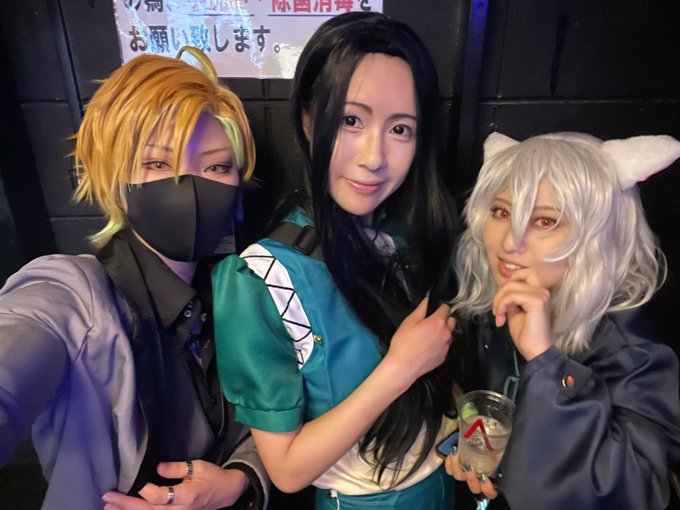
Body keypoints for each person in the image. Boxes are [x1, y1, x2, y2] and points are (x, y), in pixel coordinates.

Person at [0, 47, 269, 510]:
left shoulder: (238, 292)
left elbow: (275, 415)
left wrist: (240, 478)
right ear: (116, 181)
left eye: (216, 167)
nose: (189, 187)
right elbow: (24, 341)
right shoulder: (77, 295)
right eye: (157, 165)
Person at [211, 11, 459, 510]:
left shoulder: (407, 231)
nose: (374, 156)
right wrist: (401, 367)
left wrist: (464, 431)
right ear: (308, 120)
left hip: (444, 484)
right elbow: (287, 471)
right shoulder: (261, 279)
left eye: (401, 129)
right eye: (351, 121)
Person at [445, 131, 680, 509]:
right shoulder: (501, 299)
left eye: (545, 221)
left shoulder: (632, 346)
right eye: (501, 212)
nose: (509, 242)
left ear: (598, 234)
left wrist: (546, 360)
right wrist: (496, 463)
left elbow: (634, 493)